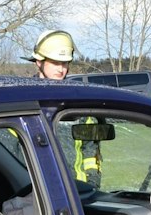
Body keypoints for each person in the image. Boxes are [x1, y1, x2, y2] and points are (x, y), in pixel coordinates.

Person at [32, 29, 102, 188]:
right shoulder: (23, 104)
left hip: (79, 193)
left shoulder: (79, 105)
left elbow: (90, 151)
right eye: (55, 63)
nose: (61, 69)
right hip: (40, 196)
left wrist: (91, 186)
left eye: (64, 63)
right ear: (38, 61)